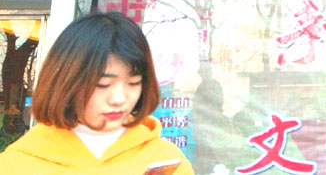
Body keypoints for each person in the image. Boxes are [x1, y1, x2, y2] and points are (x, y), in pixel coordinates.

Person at [0, 12, 194, 174]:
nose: (119, 99)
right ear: (67, 82)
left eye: (133, 83)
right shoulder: (17, 164)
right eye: (103, 84)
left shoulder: (164, 159)